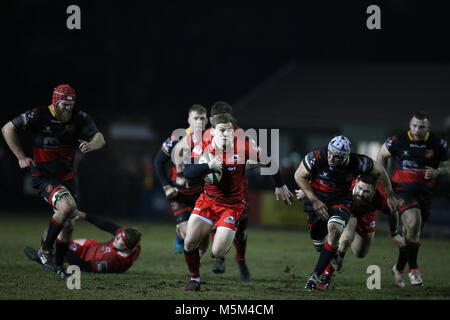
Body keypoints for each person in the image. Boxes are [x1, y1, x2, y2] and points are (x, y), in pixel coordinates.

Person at [1, 84, 105, 280]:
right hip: (43, 176)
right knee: (67, 207)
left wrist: (92, 144)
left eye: (71, 104)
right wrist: (20, 157)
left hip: (67, 178)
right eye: (64, 104)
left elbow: (100, 137)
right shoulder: (37, 115)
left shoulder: (79, 117)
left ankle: (57, 266)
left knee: (68, 225)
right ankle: (44, 251)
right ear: (55, 103)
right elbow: (7, 129)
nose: (68, 109)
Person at [180, 113, 294, 291]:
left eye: (230, 130)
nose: (226, 134)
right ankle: (195, 280)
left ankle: (225, 241)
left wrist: (279, 185)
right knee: (189, 242)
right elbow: (187, 171)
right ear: (213, 132)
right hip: (207, 202)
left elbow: (269, 158)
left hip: (231, 207)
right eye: (222, 130)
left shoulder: (243, 146)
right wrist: (208, 166)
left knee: (216, 253)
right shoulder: (203, 145)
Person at [294, 135, 397, 291]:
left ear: (345, 157)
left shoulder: (359, 164)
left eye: (336, 156)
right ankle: (334, 257)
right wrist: (310, 196)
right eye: (330, 153)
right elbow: (299, 175)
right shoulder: (316, 157)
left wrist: (390, 195)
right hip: (325, 203)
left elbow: (380, 171)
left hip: (343, 204)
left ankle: (317, 276)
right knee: (324, 244)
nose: (331, 158)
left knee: (344, 239)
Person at [174, 101, 253, 281]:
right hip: (212, 194)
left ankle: (239, 259)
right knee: (195, 237)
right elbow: (184, 160)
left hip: (237, 192)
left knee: (240, 231)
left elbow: (262, 158)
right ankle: (205, 269)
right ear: (213, 122)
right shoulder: (206, 138)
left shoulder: (241, 137)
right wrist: (203, 167)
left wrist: (245, 166)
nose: (224, 131)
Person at [296, 173, 405, 290]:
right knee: (346, 238)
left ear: (373, 191)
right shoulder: (347, 182)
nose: (361, 194)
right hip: (347, 211)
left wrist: (394, 233)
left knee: (360, 253)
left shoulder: (382, 197)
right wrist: (307, 191)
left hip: (367, 216)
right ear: (356, 183)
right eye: (360, 188)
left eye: (366, 192)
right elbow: (326, 183)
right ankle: (326, 277)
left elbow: (393, 212)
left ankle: (335, 251)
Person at [377, 111, 449, 287]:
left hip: (425, 195)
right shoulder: (398, 141)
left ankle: (398, 269)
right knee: (413, 221)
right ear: (410, 125)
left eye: (422, 127)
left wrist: (438, 171)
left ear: (428, 128)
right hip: (401, 192)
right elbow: (381, 156)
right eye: (414, 126)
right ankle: (414, 269)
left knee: (412, 235)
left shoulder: (438, 144)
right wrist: (384, 185)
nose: (417, 130)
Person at [154, 104, 209, 256]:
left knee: (203, 236)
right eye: (195, 118)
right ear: (188, 119)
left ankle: (196, 268)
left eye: (202, 118)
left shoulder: (211, 139)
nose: (198, 121)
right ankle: (180, 233)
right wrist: (167, 187)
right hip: (180, 194)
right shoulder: (177, 137)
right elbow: (158, 162)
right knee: (188, 233)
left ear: (207, 120)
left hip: (201, 194)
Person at [24, 210, 141, 273]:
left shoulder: (111, 259)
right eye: (119, 235)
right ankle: (47, 255)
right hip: (91, 247)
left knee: (52, 234)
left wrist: (64, 253)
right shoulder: (131, 243)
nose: (117, 238)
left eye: (121, 240)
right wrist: (85, 216)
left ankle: (47, 258)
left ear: (127, 249)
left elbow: (83, 266)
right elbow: (107, 225)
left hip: (84, 258)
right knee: (52, 233)